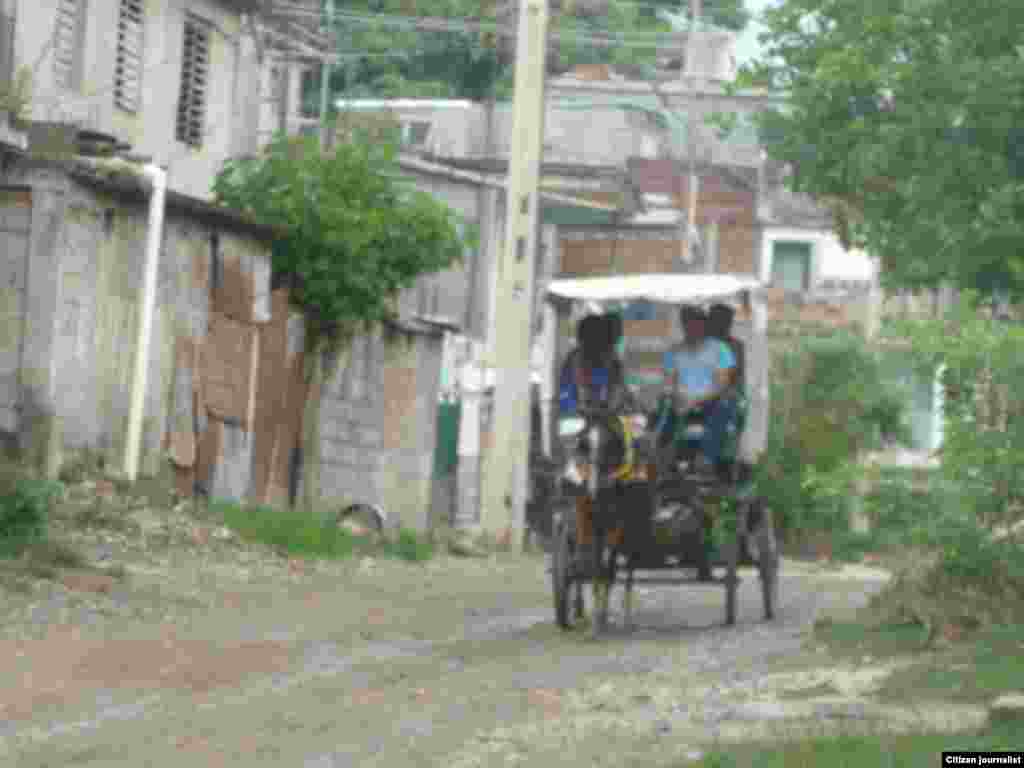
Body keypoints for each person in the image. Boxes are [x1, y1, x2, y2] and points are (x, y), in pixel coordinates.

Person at [661, 304, 738, 472]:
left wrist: (696, 399)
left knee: (725, 405)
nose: (691, 326)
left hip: (710, 400)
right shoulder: (673, 351)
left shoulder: (720, 349)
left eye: (696, 321)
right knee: (662, 407)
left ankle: (706, 457)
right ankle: (661, 456)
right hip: (681, 399)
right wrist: (678, 396)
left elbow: (721, 384)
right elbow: (669, 382)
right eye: (687, 321)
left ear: (704, 323)